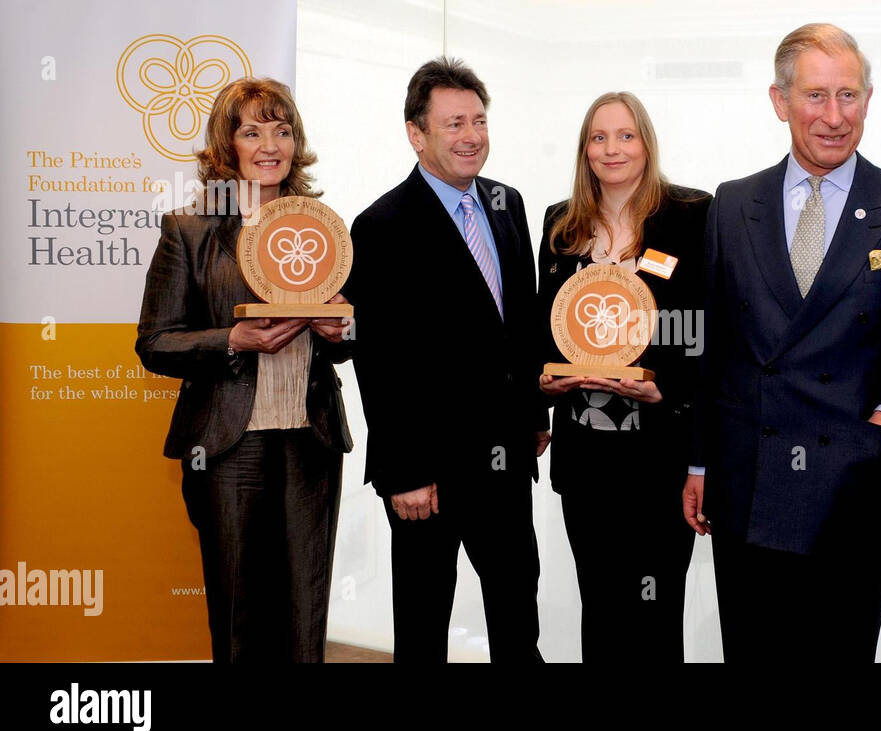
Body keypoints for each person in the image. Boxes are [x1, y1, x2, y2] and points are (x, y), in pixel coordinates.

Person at [682, 23, 881, 662]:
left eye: (849, 96)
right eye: (816, 97)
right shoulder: (732, 203)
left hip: (853, 478)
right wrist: (698, 463)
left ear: (869, 99)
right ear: (780, 101)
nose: (834, 116)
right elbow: (709, 346)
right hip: (750, 480)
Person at [136, 77, 353, 662]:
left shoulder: (322, 228)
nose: (269, 145)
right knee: (238, 615)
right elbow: (154, 342)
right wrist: (232, 338)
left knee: (305, 613)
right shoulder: (189, 230)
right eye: (251, 130)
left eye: (282, 131)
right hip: (227, 445)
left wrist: (343, 330)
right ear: (225, 144)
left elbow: (351, 332)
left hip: (311, 440)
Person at [343, 57, 548, 663]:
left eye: (479, 121)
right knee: (424, 624)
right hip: (425, 472)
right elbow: (377, 359)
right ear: (417, 134)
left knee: (517, 618)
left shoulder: (508, 204)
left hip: (506, 457)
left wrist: (535, 414)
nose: (471, 136)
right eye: (454, 122)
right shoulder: (381, 225)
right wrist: (403, 470)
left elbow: (524, 324)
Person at [536, 92, 710, 663]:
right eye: (599, 137)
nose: (612, 149)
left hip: (658, 455)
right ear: (585, 149)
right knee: (602, 607)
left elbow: (713, 332)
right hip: (586, 456)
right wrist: (544, 384)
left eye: (626, 135)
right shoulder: (561, 225)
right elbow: (546, 329)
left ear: (647, 143)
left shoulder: (690, 215)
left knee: (656, 611)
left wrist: (667, 388)